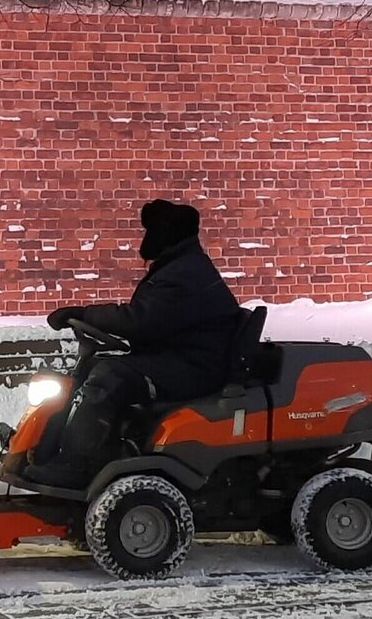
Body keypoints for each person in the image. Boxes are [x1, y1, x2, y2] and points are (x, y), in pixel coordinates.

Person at [24, 199, 241, 489]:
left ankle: (77, 466)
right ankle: (49, 449)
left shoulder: (185, 275)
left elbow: (141, 320)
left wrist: (85, 314)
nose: (146, 238)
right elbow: (147, 321)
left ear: (167, 235)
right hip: (182, 358)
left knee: (108, 378)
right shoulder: (180, 267)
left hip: (194, 367)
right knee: (98, 367)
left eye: (151, 231)